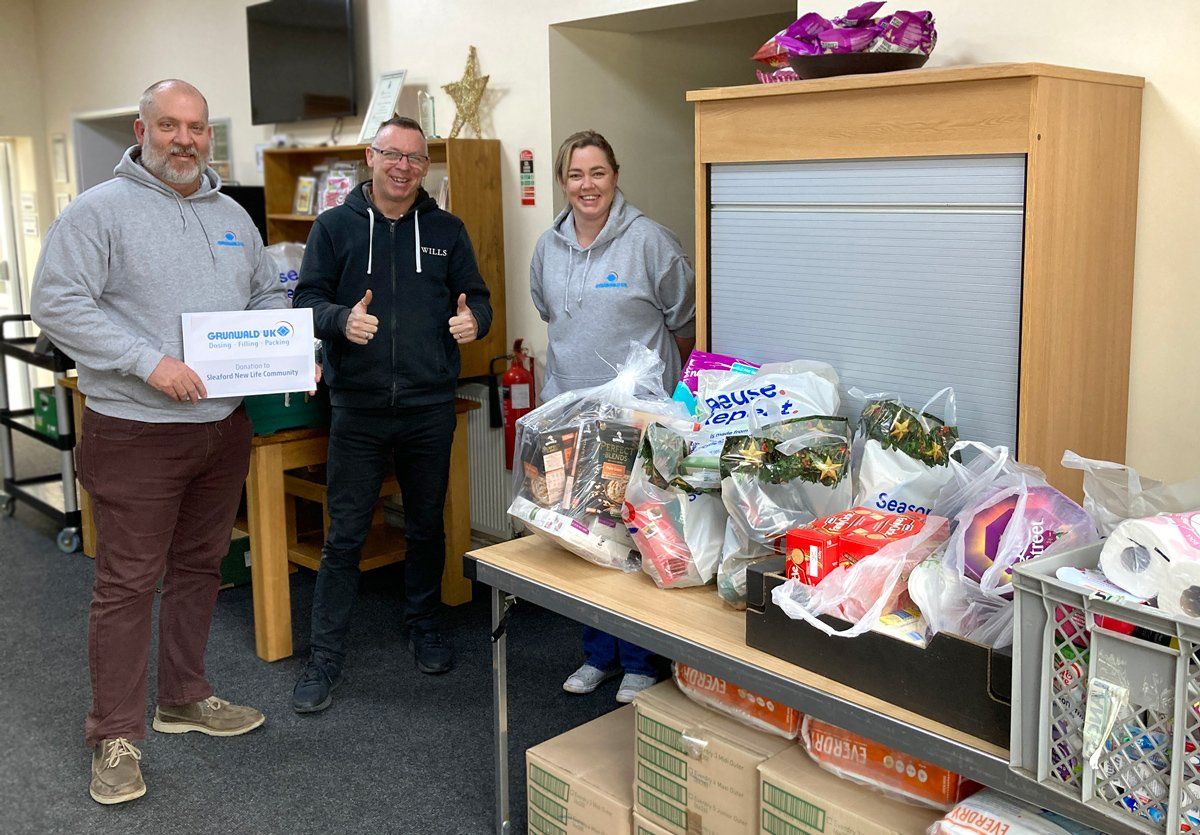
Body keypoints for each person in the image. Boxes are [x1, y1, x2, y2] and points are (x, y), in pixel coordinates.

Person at [30, 80, 287, 805]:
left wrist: (285, 344)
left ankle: (183, 697)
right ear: (141, 132)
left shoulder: (232, 215)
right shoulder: (98, 211)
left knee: (201, 568)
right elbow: (55, 302)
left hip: (222, 429)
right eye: (169, 125)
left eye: (197, 127)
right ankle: (115, 736)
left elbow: (266, 294)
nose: (185, 139)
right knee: (127, 585)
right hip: (135, 431)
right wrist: (149, 361)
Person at [290, 116, 492, 713]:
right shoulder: (333, 227)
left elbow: (478, 297)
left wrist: (474, 321)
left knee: (427, 524)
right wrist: (340, 321)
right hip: (358, 408)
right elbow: (306, 300)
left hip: (430, 405)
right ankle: (324, 657)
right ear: (370, 159)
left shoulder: (447, 229)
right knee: (345, 535)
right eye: (392, 155)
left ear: (425, 167)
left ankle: (424, 625)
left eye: (415, 158)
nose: (403, 167)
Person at [530, 130, 696, 703]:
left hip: (637, 420)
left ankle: (642, 662)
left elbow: (686, 319)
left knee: (637, 539)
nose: (587, 185)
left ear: (615, 176)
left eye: (597, 172)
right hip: (568, 415)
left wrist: (663, 402)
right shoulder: (547, 247)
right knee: (585, 542)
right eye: (576, 174)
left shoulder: (649, 241)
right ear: (562, 182)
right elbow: (552, 316)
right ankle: (598, 655)